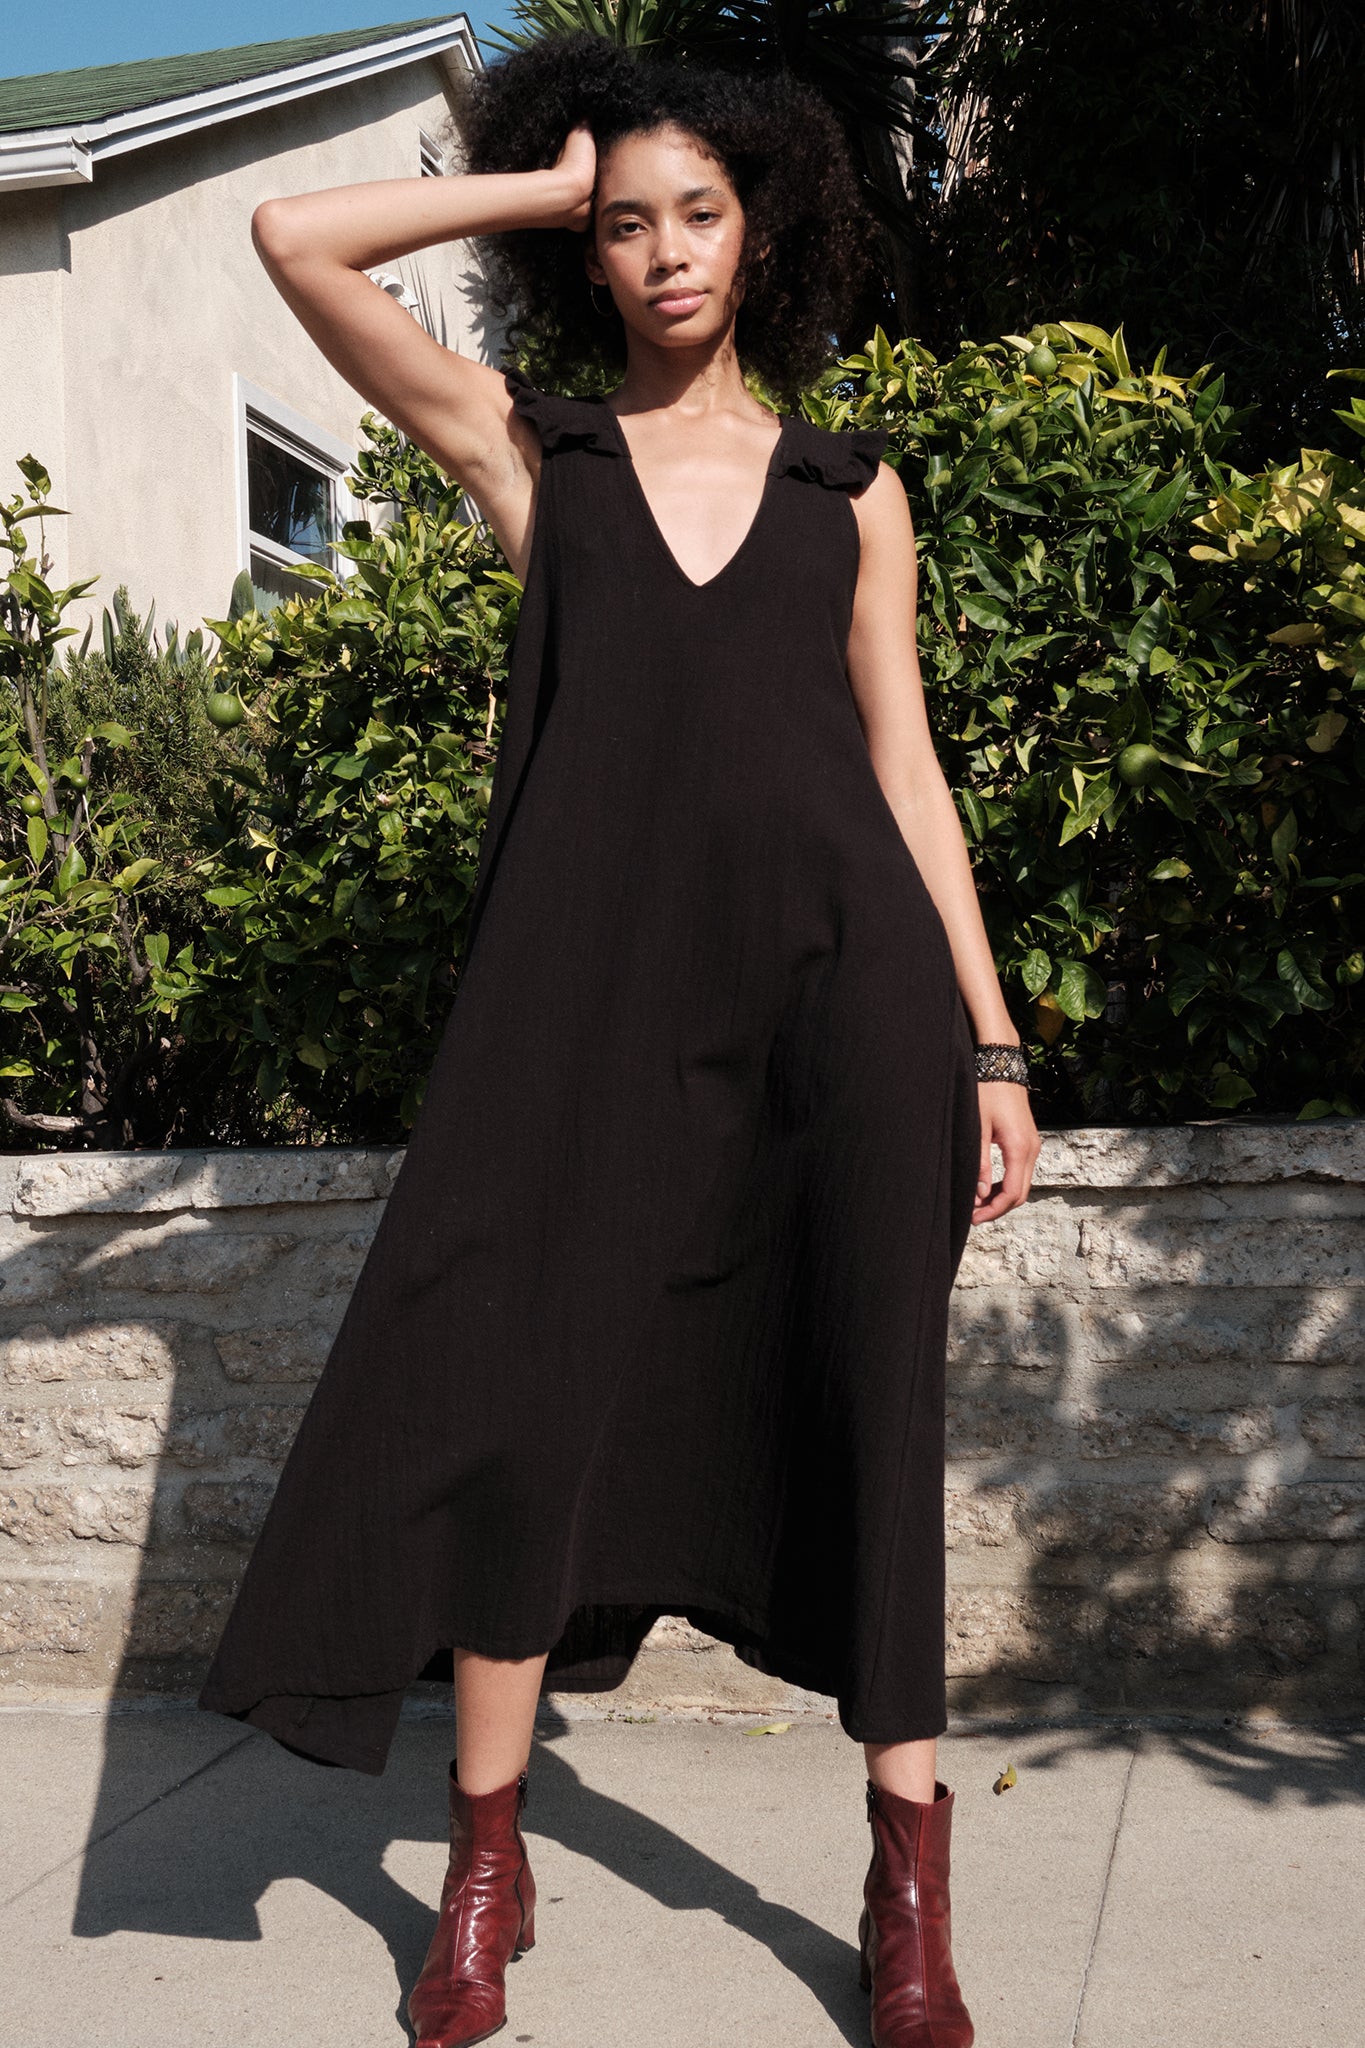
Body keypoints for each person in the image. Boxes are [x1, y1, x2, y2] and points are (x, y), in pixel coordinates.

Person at [198, 34, 1040, 2048]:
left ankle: (905, 1882)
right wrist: (528, 182)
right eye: (630, 221)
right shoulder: (534, 459)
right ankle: (485, 1867)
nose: (664, 251)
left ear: (762, 236)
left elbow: (906, 780)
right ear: (593, 247)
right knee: (520, 1417)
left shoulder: (852, 492)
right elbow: (291, 237)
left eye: (698, 214)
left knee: (868, 1423)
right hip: (576, 1031)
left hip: (846, 1022)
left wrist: (992, 1052)